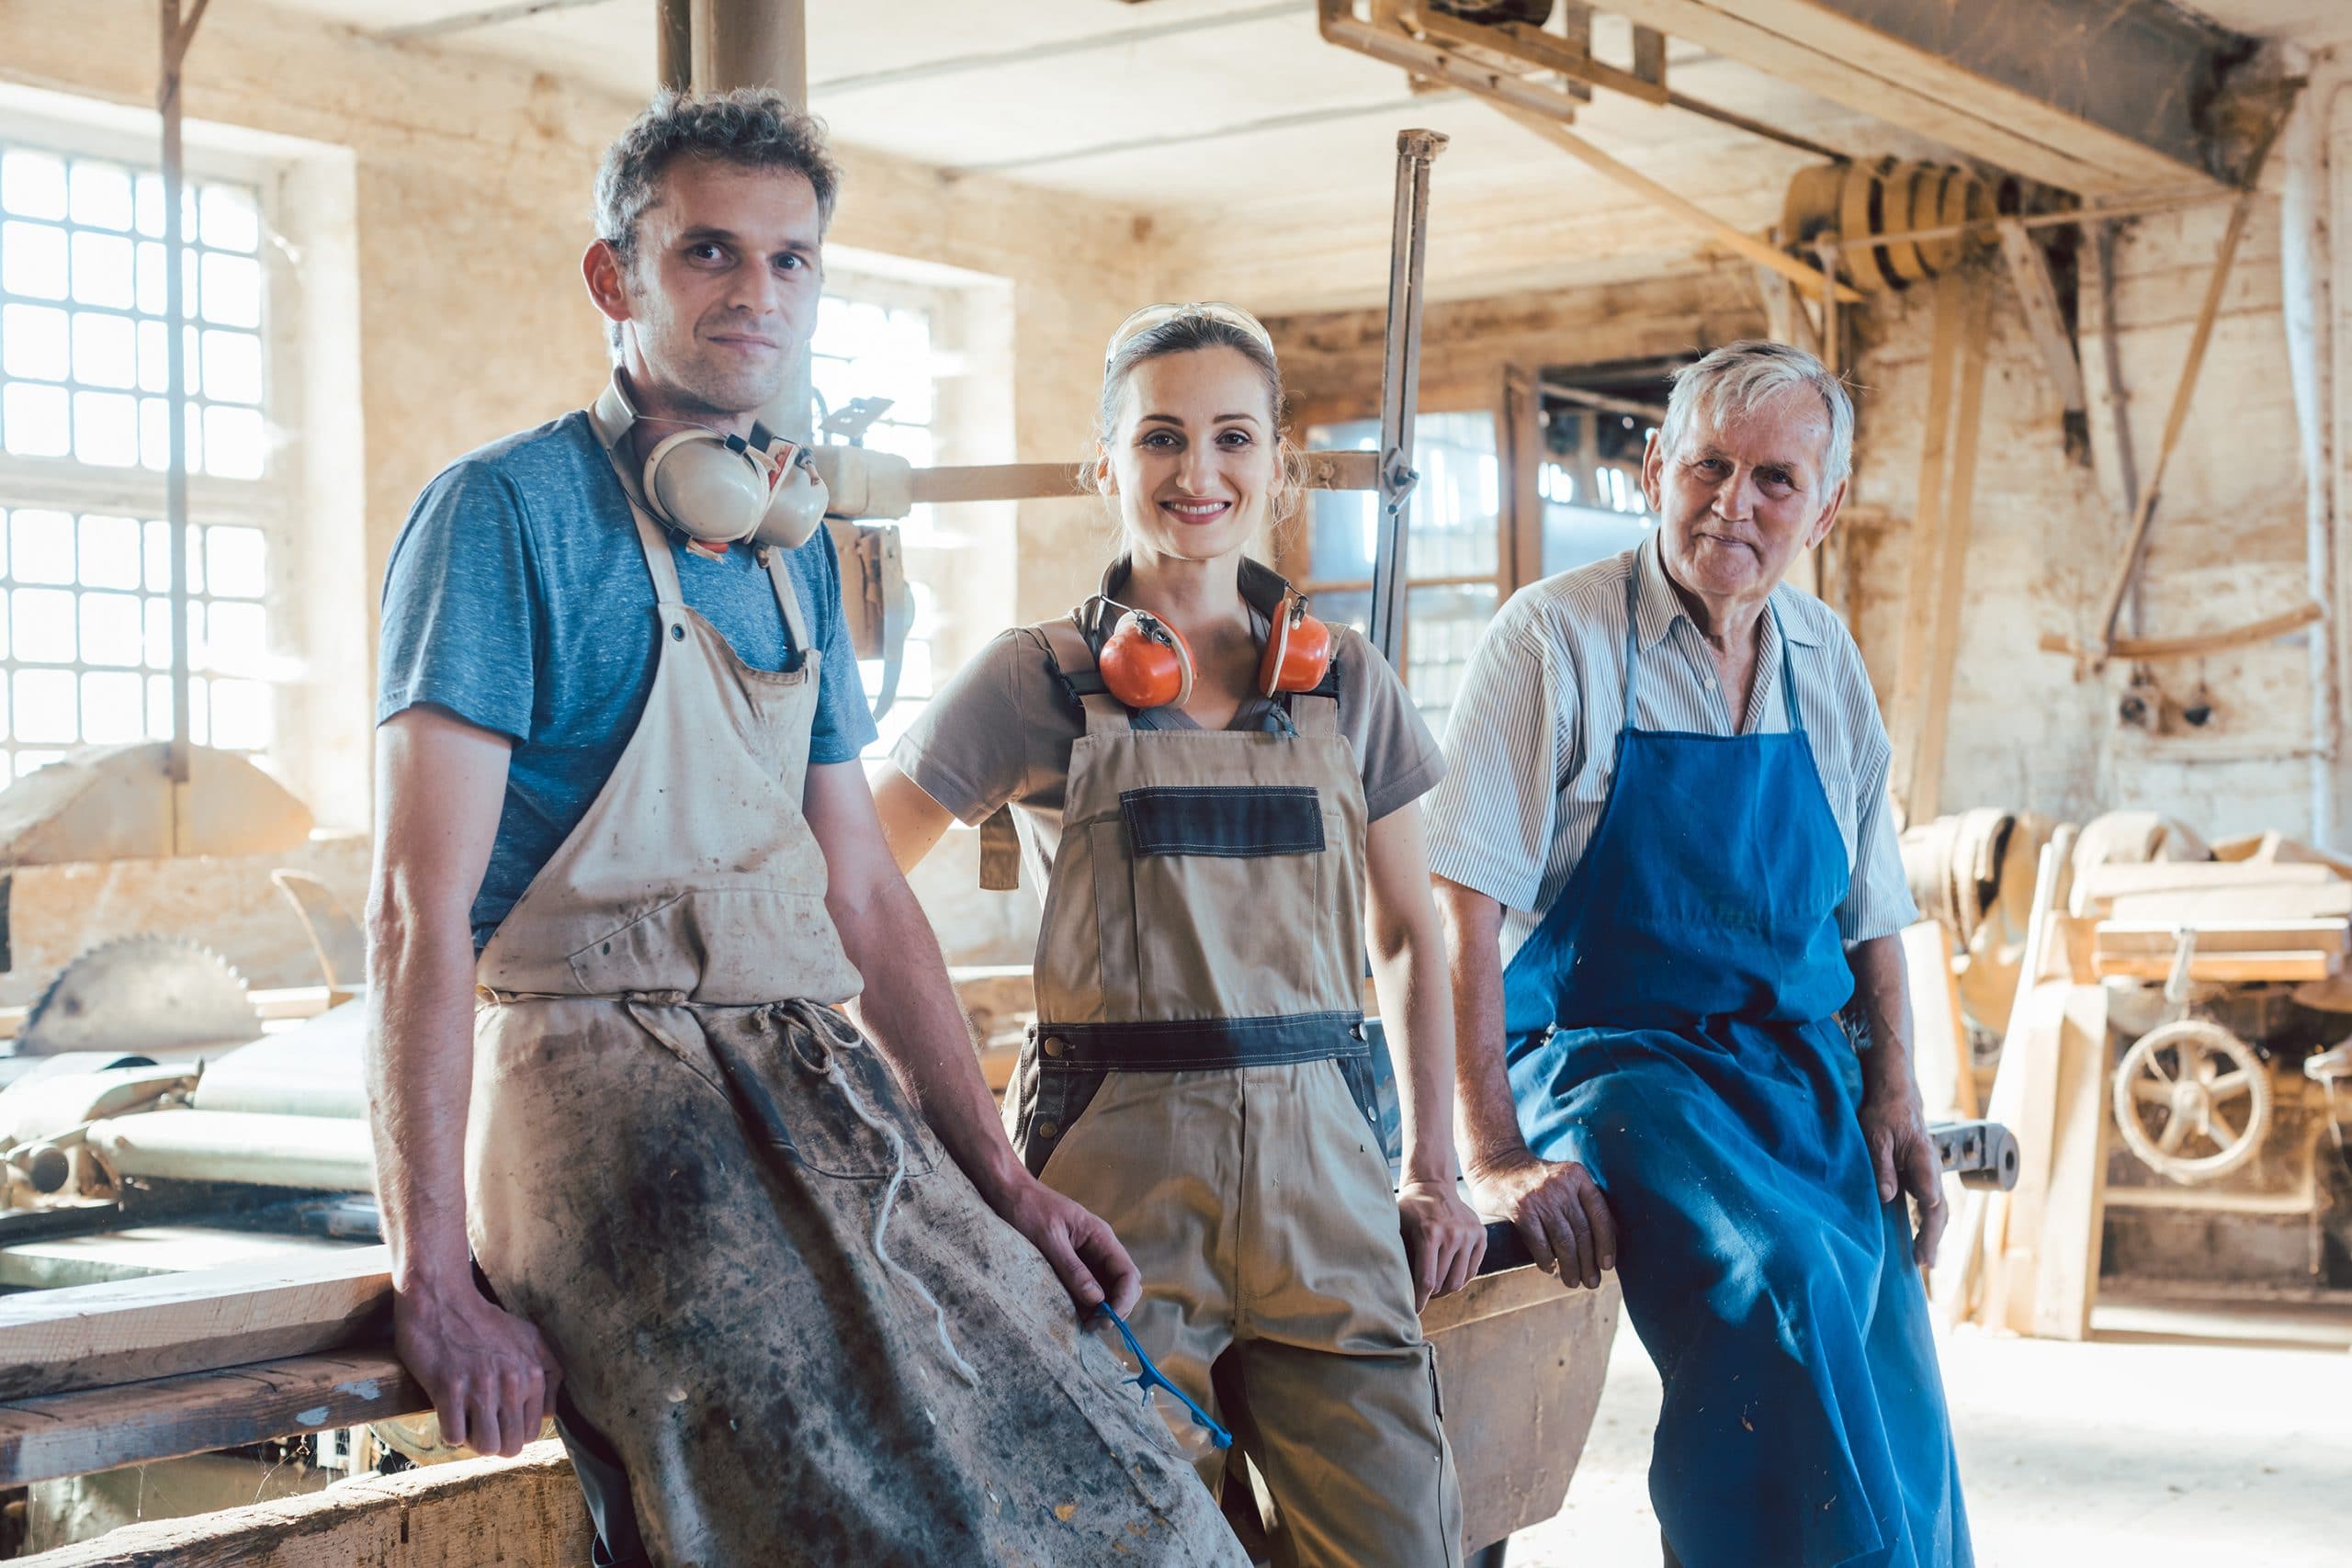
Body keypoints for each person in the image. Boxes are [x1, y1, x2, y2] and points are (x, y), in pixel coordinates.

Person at [365, 90, 1244, 1568]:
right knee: (872, 1516)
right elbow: (414, 916)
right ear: (615, 279)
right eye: (709, 252)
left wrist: (1005, 1185)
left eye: (792, 261)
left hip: (809, 1071)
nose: (755, 294)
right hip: (606, 1094)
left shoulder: (791, 553)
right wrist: (432, 1277)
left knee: (1122, 1472)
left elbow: (867, 896)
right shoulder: (500, 517)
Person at [872, 301, 1488, 1568]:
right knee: (1133, 1546)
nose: (1196, 473)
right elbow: (850, 883)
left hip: (1334, 1192)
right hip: (1115, 1198)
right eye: (1160, 438)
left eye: (1230, 438)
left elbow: (1414, 935)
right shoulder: (1033, 681)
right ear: (1107, 465)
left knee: (1401, 1545)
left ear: (1280, 464)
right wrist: (970, 1152)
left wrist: (1436, 1165)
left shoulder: (1347, 682)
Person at [1429, 340, 1972, 1568]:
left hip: (1793, 1072)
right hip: (1610, 1064)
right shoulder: (1552, 639)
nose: (1736, 505)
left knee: (1888, 1348)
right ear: (1651, 471)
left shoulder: (1828, 662)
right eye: (1709, 467)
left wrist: (1896, 1092)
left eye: (1776, 479)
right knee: (1775, 1284)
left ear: (1824, 508)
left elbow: (1871, 907)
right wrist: (1494, 1154)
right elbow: (1458, 915)